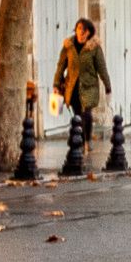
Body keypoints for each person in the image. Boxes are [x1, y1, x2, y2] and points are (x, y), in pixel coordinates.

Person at [53, 16, 109, 173]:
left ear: (89, 32)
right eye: (78, 29)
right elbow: (61, 65)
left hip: (89, 86)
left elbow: (102, 67)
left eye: (83, 30)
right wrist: (56, 84)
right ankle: (79, 140)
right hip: (73, 86)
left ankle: (88, 139)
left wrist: (107, 85)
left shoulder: (94, 48)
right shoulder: (69, 46)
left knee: (87, 113)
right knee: (77, 115)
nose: (80, 33)